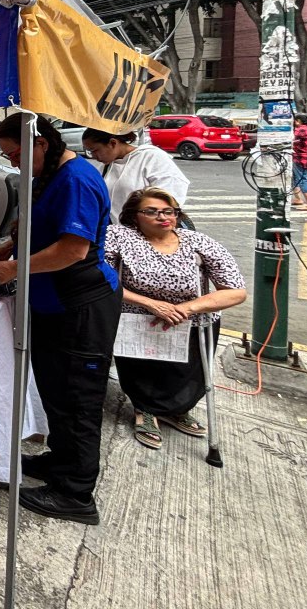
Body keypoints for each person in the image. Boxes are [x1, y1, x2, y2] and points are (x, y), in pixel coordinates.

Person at [0, 114, 120, 526]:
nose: (12, 163)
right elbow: (40, 224)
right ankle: (61, 462)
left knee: (78, 399)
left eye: (15, 155)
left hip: (79, 305)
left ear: (40, 143)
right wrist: (9, 246)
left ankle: (76, 493)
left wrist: (15, 268)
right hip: (51, 305)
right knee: (56, 393)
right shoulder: (47, 174)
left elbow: (72, 250)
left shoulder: (76, 179)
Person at [105, 187, 246, 449]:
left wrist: (186, 309)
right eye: (151, 211)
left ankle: (176, 409)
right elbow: (103, 279)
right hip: (140, 315)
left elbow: (235, 291)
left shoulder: (197, 242)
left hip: (191, 318)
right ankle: (145, 410)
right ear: (134, 216)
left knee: (188, 373)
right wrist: (152, 304)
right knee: (142, 370)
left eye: (169, 211)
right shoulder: (119, 236)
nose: (163, 217)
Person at [82, 128, 190, 223]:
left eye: (95, 150)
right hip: (121, 232)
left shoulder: (151, 157)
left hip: (150, 229)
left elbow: (172, 193)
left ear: (113, 143)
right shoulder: (106, 167)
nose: (93, 156)